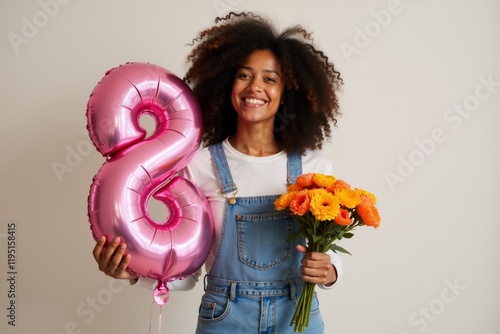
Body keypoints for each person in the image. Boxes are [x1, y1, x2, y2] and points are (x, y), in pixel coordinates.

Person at [92, 12, 344, 333]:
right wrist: (131, 273)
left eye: (270, 78)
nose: (255, 87)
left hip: (296, 317)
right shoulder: (198, 166)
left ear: (286, 93)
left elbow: (328, 254)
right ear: (227, 84)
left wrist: (331, 272)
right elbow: (188, 273)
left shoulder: (314, 168)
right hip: (225, 317)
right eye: (244, 75)